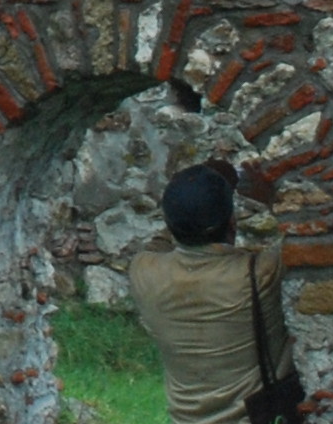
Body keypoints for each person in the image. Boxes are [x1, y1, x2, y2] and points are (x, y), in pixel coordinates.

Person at [123, 159, 300, 423]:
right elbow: (307, 235)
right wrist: (270, 196)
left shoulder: (143, 271)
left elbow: (163, 240)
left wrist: (189, 197)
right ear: (231, 221)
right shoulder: (259, 273)